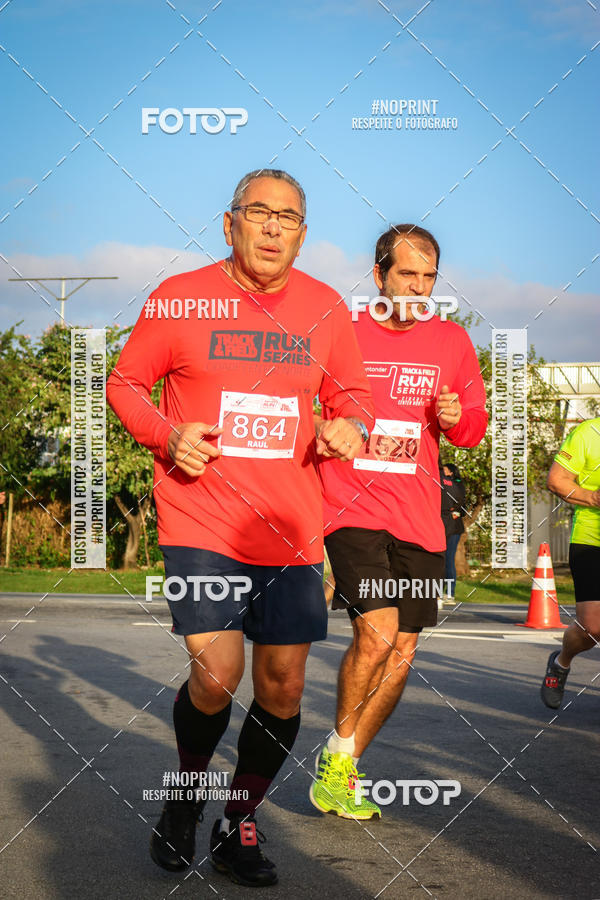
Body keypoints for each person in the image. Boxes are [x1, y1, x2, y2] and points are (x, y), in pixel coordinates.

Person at [107, 169, 374, 886]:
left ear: (303, 235)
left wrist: (350, 423)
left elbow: (352, 394)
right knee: (217, 675)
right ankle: (186, 799)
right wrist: (168, 436)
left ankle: (237, 820)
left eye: (288, 216)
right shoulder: (180, 298)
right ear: (230, 224)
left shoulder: (324, 307)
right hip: (203, 518)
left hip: (289, 527)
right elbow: (125, 384)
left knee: (283, 687)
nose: (273, 226)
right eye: (259, 212)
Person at [311, 224, 487, 819]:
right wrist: (324, 429)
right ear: (379, 274)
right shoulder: (343, 332)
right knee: (379, 632)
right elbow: (304, 402)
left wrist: (456, 418)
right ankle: (338, 763)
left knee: (404, 649)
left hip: (419, 516)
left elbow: (473, 429)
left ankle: (342, 762)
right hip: (352, 506)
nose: (418, 287)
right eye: (406, 274)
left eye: (428, 277)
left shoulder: (453, 341)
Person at [541, 416, 600, 709]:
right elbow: (556, 480)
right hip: (592, 539)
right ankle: (561, 663)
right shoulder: (589, 433)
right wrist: (593, 497)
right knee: (592, 627)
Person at [440, 461, 467, 608]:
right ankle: (441, 592)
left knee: (449, 559)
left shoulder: (457, 485)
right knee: (442, 560)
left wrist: (454, 513)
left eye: (444, 470)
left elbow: (462, 507)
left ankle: (450, 593)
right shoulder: (443, 484)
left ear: (450, 472)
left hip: (454, 528)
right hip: (444, 526)